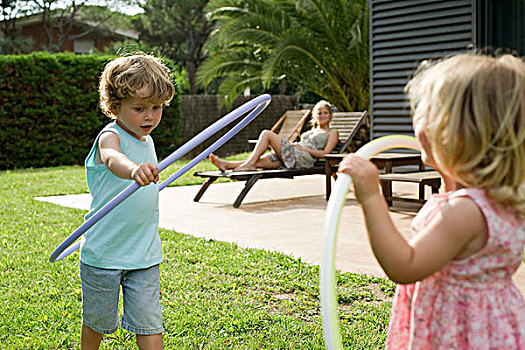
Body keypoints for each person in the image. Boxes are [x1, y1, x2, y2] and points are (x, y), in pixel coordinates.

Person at [339, 53, 525, 349]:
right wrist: (447, 172)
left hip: (455, 333)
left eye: (429, 115)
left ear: (461, 136)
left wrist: (372, 196)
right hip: (490, 327)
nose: (418, 124)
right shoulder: (496, 197)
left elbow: (405, 265)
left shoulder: (463, 212)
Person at [80, 53, 174, 350]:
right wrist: (133, 169)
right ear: (114, 106)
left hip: (144, 254)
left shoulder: (148, 140)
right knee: (98, 322)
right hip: (104, 254)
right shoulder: (111, 136)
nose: (149, 116)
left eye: (156, 107)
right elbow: (111, 158)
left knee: (150, 323)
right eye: (139, 108)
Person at [209, 100, 339, 172]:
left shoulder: (332, 133)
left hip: (302, 159)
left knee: (266, 134)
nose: (322, 116)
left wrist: (303, 149)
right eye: (320, 113)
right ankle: (226, 165)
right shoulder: (311, 131)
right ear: (315, 116)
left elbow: (325, 153)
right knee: (262, 161)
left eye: (325, 113)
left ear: (330, 115)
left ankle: (248, 164)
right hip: (294, 154)